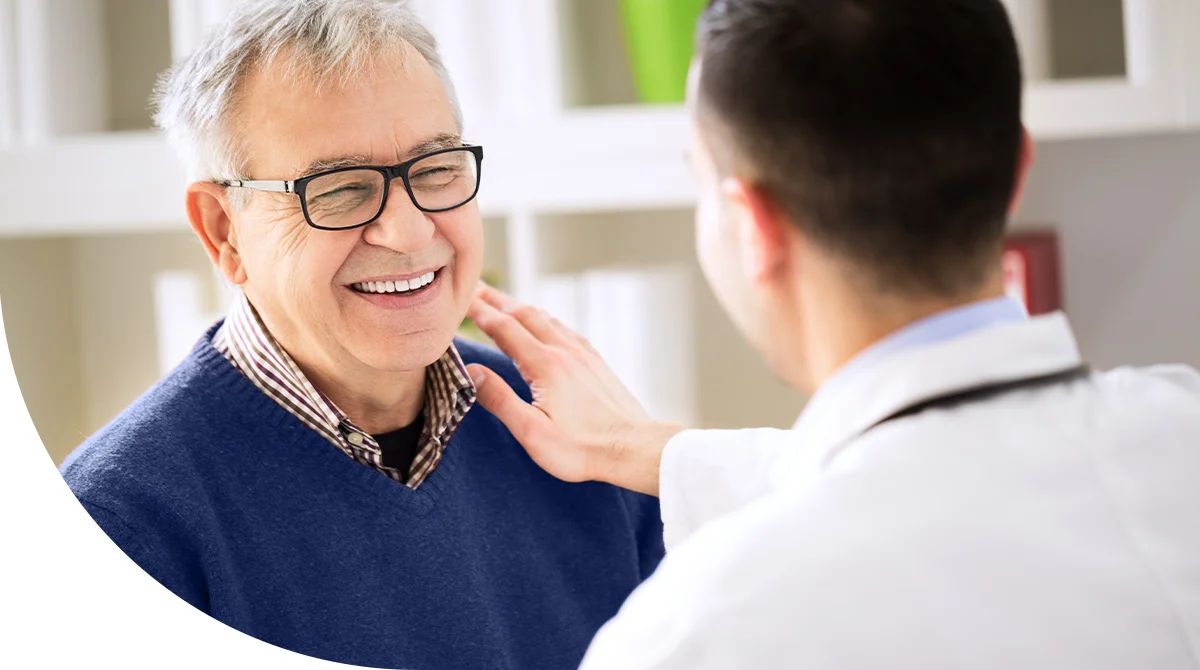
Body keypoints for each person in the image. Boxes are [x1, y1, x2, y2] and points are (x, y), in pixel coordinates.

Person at [465, 0, 1200, 667]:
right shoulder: (1179, 431)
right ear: (1018, 167)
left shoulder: (697, 636)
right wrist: (654, 451)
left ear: (752, 225)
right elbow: (950, 479)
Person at [58, 1, 663, 668]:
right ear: (224, 231)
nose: (407, 232)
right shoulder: (119, 522)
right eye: (340, 189)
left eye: (436, 169)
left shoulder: (574, 430)